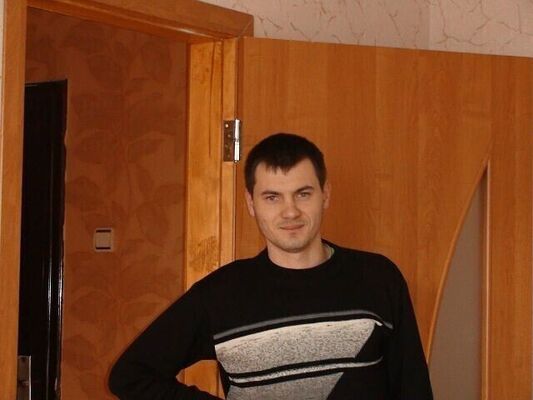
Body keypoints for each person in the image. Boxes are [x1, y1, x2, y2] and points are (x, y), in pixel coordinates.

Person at [108, 133, 433, 399]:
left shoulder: (377, 278)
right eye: (272, 197)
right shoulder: (220, 294)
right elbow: (131, 375)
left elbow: (413, 390)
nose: (290, 212)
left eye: (303, 194)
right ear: (251, 203)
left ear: (325, 195)